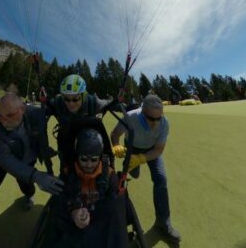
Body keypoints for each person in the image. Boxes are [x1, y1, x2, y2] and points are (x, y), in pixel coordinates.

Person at [0, 92, 64, 248]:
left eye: (9, 115)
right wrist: (35, 175)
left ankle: (29, 195)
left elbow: (64, 106)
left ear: (22, 109)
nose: (4, 121)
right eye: (0, 116)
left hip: (28, 160)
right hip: (3, 159)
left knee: (26, 187)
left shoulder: (37, 114)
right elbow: (4, 157)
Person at [40, 127, 129, 248]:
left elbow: (115, 210)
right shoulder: (68, 173)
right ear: (77, 156)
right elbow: (61, 200)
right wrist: (74, 211)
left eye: (93, 160)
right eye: (84, 159)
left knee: (118, 202)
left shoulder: (109, 175)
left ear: (100, 158)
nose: (88, 165)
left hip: (99, 220)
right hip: (73, 218)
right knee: (56, 203)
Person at [110, 94, 181, 245]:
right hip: (132, 147)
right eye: (151, 119)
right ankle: (134, 170)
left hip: (151, 150)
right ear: (142, 112)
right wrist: (116, 145)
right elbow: (115, 134)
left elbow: (158, 150)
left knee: (161, 179)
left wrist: (142, 159)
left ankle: (163, 222)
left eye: (158, 118)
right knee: (133, 174)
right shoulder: (130, 117)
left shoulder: (164, 124)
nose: (155, 123)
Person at [47, 74, 114, 168]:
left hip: (88, 152)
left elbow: (109, 104)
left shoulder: (92, 102)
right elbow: (42, 111)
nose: (71, 103)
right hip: (66, 149)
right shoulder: (58, 103)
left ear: (84, 95)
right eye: (67, 99)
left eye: (75, 99)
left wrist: (125, 105)